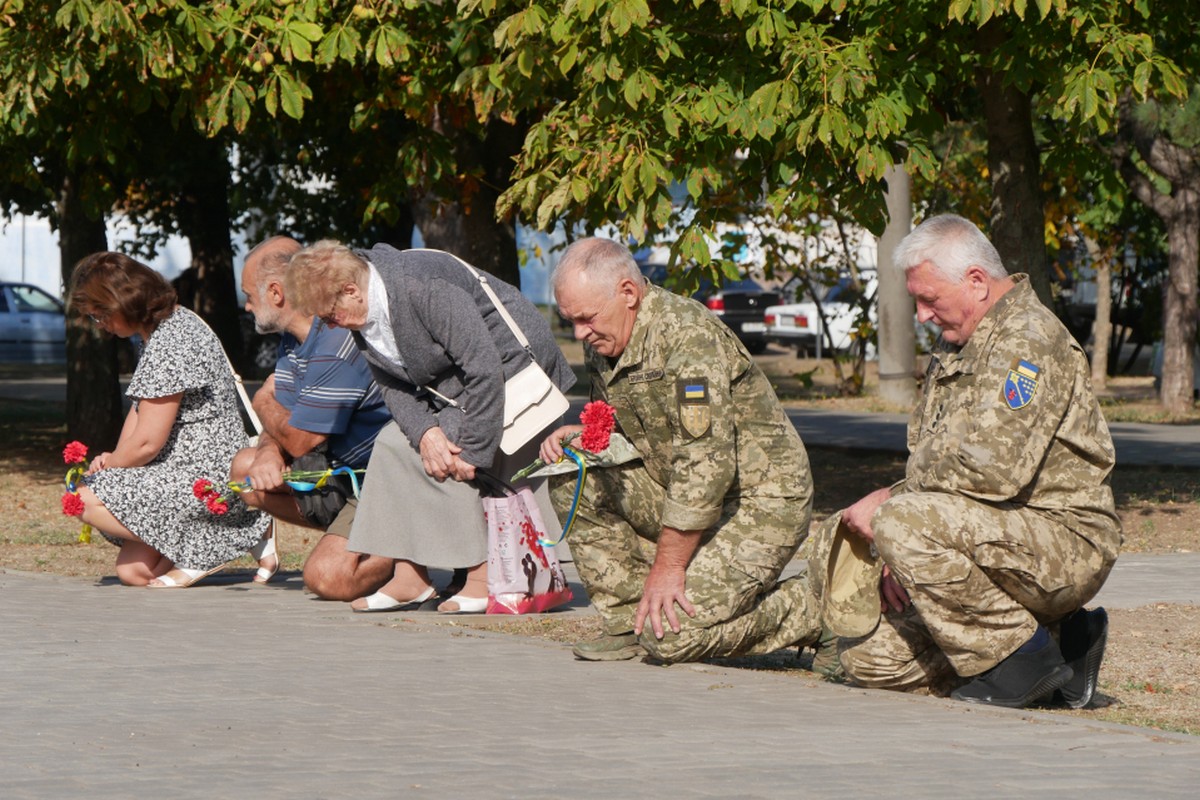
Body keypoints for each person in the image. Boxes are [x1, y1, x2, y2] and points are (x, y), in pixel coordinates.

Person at [827, 214, 1118, 709]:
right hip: (991, 537)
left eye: (929, 299)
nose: (921, 315)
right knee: (870, 660)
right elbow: (933, 453)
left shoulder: (1028, 340)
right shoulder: (960, 341)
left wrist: (902, 514)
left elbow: (991, 469)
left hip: (1063, 541)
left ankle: (1022, 664)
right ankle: (1062, 642)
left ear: (977, 282)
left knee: (895, 519)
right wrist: (914, 550)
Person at [539, 237, 819, 664]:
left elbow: (704, 460)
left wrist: (669, 568)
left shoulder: (688, 336)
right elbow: (630, 421)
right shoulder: (606, 336)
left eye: (586, 318)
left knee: (670, 639)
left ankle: (813, 608)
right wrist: (586, 435)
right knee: (570, 469)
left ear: (628, 293)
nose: (579, 333)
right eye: (570, 321)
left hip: (760, 503)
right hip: (682, 493)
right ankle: (625, 620)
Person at [285, 241, 575, 613]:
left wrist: (473, 450)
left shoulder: (420, 285)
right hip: (464, 387)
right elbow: (392, 385)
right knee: (395, 443)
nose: (328, 324)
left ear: (351, 290)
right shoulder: (360, 309)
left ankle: (481, 577)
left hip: (513, 373)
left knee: (448, 452)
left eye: (328, 314)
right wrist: (425, 432)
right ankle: (410, 579)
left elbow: (485, 368)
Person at [70, 252, 271, 587]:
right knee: (135, 573)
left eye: (101, 315)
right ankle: (236, 534)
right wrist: (112, 462)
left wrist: (111, 469)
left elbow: (148, 442)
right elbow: (140, 411)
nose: (100, 324)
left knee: (81, 498)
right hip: (179, 471)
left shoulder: (172, 341)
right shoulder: (162, 330)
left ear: (124, 301)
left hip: (203, 476)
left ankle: (224, 535)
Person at [227, 236, 394, 598]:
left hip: (380, 481)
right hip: (339, 471)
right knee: (247, 467)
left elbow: (303, 440)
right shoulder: (295, 340)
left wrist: (260, 402)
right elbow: (286, 417)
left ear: (275, 293)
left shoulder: (335, 340)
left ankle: (405, 550)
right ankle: (353, 538)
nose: (246, 307)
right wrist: (270, 450)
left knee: (326, 578)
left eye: (249, 296)